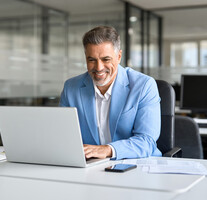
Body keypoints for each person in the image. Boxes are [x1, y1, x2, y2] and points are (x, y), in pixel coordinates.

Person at [59, 26, 161, 160]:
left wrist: (108, 150)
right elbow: (62, 136)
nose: (99, 68)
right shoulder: (71, 88)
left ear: (118, 56)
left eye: (106, 59)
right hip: (89, 166)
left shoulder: (144, 86)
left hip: (136, 164)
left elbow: (147, 141)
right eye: (92, 60)